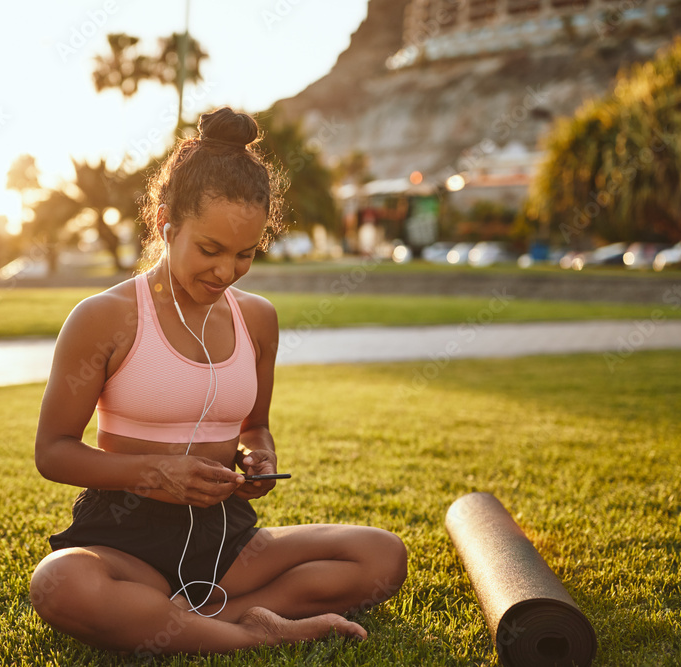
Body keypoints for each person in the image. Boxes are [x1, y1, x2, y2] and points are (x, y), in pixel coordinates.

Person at [29, 107, 407, 656]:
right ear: (166, 222)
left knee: (381, 555)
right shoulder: (104, 317)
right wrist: (154, 474)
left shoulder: (258, 319)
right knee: (61, 583)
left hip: (227, 539)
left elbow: (255, 427)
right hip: (126, 535)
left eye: (245, 254)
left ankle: (188, 618)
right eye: (209, 250)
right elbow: (53, 452)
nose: (226, 272)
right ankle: (249, 634)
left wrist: (260, 459)